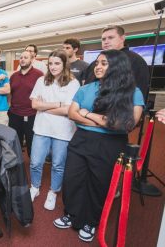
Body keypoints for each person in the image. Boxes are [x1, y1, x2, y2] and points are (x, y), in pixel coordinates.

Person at [54, 50, 144, 242]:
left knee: (99, 183)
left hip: (110, 144)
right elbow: (72, 113)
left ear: (118, 66)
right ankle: (71, 214)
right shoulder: (86, 88)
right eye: (97, 63)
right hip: (81, 140)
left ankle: (91, 221)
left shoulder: (132, 92)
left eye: (104, 63)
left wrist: (88, 114)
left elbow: (126, 124)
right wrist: (105, 121)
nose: (98, 67)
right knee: (73, 179)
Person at [29, 50, 80, 210]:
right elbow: (34, 105)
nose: (53, 66)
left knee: (58, 164)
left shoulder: (73, 83)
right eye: (50, 63)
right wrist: (58, 104)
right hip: (42, 128)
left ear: (64, 64)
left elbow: (68, 110)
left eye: (57, 63)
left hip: (63, 131)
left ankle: (53, 191)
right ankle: (35, 187)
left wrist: (44, 107)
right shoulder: (41, 80)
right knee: (35, 162)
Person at [83, 25, 149, 99]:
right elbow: (87, 86)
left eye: (111, 38)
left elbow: (138, 92)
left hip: (119, 107)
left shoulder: (135, 61)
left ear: (122, 38)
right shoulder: (95, 63)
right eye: (103, 39)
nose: (106, 42)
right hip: (89, 107)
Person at [8, 50, 43, 157]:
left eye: (26, 57)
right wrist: (9, 105)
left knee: (31, 143)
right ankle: (16, 167)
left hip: (32, 114)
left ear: (32, 60)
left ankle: (32, 166)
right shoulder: (14, 76)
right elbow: (10, 93)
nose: (22, 59)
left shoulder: (39, 75)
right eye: (21, 57)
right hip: (14, 114)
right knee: (15, 143)